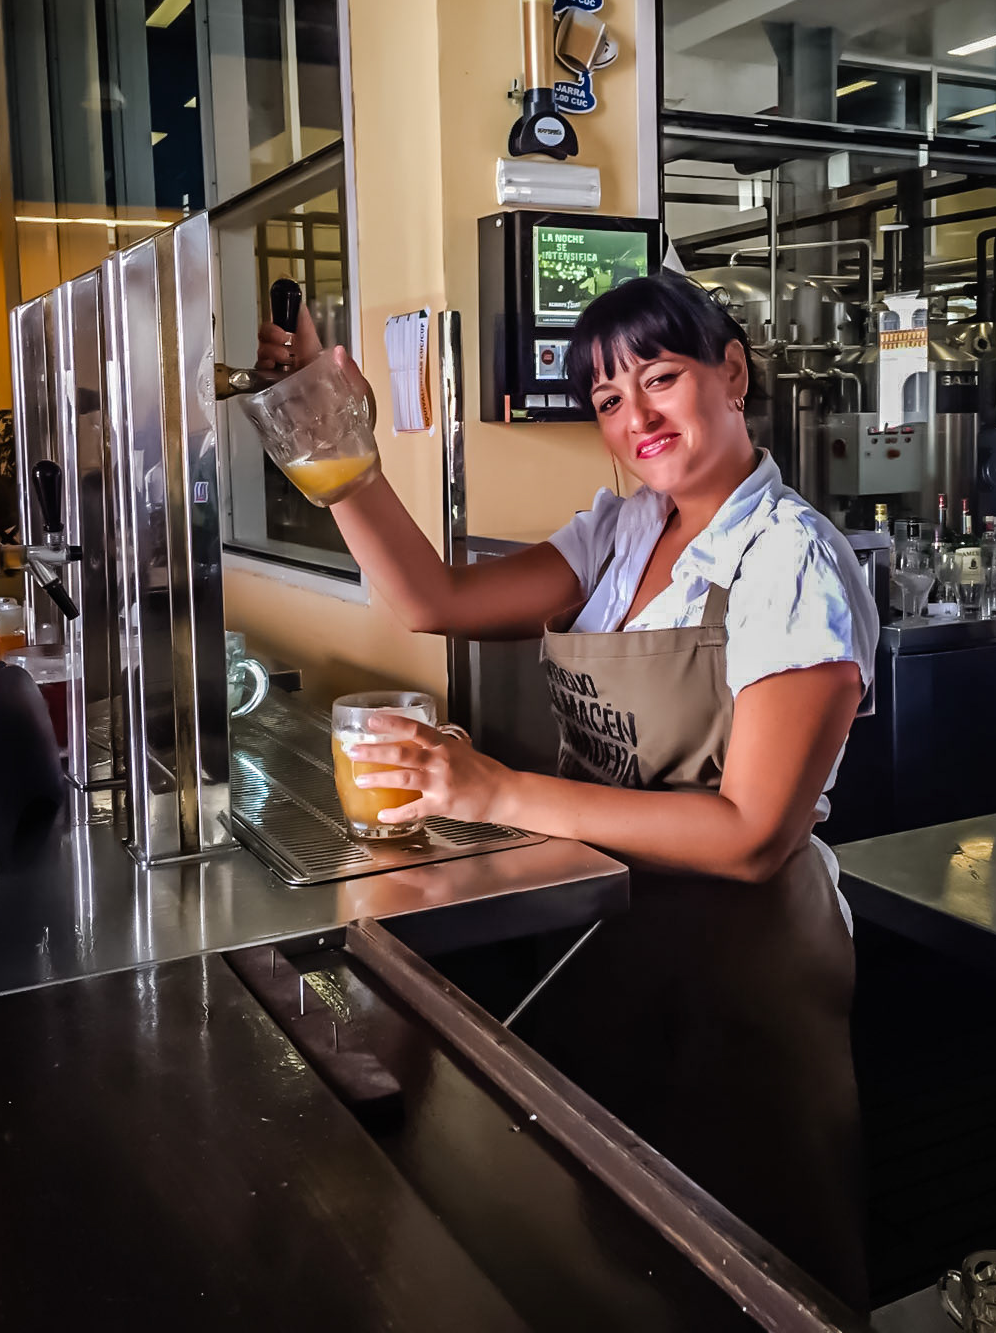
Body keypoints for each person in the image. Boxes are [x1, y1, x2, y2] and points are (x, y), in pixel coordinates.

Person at [256, 272, 878, 1309]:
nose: (635, 416)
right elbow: (431, 598)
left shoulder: (790, 563)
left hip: (745, 969)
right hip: (615, 938)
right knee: (613, 1255)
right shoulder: (623, 531)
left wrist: (496, 791)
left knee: (756, 1259)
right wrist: (337, 440)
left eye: (662, 378)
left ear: (732, 371)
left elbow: (751, 835)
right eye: (605, 400)